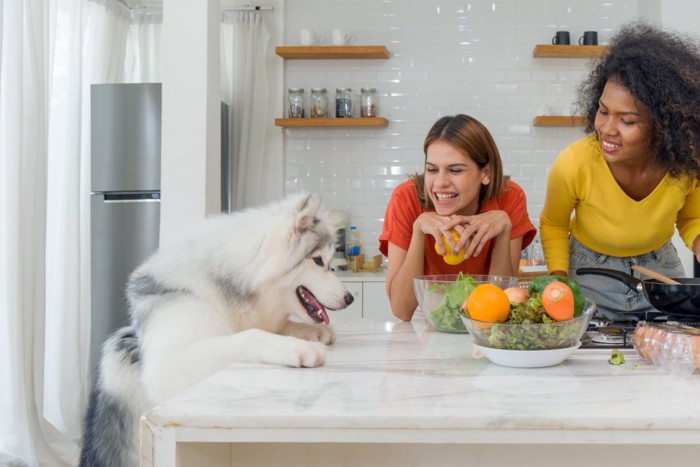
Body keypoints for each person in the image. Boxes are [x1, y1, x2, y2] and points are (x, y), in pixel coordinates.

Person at [539, 22, 700, 319]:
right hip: (588, 272)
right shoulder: (575, 162)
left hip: (660, 275)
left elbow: (690, 218)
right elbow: (554, 223)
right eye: (603, 111)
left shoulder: (687, 165)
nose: (607, 130)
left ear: (665, 127)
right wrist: (559, 279)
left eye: (627, 121)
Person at [379, 114, 537, 321]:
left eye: (455, 170)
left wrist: (503, 231)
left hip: (486, 324)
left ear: (486, 173)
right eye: (432, 170)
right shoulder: (406, 198)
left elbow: (501, 305)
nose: (440, 183)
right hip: (433, 321)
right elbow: (402, 310)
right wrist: (418, 231)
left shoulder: (510, 198)